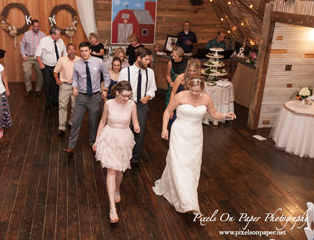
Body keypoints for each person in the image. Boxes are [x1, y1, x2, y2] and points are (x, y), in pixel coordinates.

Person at [154, 76, 236, 213]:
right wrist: (164, 128)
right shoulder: (180, 96)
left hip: (195, 136)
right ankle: (186, 202)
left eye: (197, 91)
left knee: (191, 166)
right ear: (189, 87)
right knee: (178, 163)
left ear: (202, 89)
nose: (194, 93)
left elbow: (213, 113)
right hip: (179, 133)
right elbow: (168, 111)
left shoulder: (207, 99)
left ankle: (187, 193)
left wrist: (224, 116)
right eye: (192, 90)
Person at [93, 80, 140, 224]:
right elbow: (102, 122)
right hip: (109, 136)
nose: (127, 99)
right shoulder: (108, 104)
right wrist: (96, 140)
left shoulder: (132, 105)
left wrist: (137, 127)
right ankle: (112, 208)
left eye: (129, 96)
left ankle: (117, 189)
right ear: (117, 93)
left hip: (124, 137)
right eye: (124, 96)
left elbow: (135, 121)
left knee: (120, 171)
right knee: (111, 170)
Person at [63, 41, 110, 156]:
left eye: (86, 51)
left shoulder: (99, 62)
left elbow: (107, 75)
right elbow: (75, 78)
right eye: (82, 51)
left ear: (90, 50)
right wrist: (74, 87)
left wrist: (105, 89)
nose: (84, 53)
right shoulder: (77, 63)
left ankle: (93, 143)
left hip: (94, 97)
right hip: (81, 97)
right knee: (75, 122)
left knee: (94, 123)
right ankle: (71, 147)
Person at [117, 47, 157, 171]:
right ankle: (122, 157)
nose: (148, 62)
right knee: (124, 131)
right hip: (126, 105)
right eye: (146, 59)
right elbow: (119, 91)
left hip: (141, 106)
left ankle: (135, 159)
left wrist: (148, 96)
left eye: (149, 60)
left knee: (139, 133)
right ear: (139, 58)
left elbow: (152, 88)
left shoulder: (150, 72)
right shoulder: (125, 72)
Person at [35, 27, 66, 110]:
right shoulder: (44, 41)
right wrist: (40, 63)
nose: (59, 36)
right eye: (58, 35)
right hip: (46, 66)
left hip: (57, 66)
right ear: (52, 34)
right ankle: (48, 102)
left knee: (56, 84)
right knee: (48, 84)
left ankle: (56, 100)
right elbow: (38, 54)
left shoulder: (60, 41)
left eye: (59, 35)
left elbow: (65, 51)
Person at [54, 43, 79, 136]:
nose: (71, 51)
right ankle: (62, 127)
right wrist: (57, 79)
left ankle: (71, 122)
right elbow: (55, 71)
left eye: (73, 49)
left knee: (75, 106)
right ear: (67, 51)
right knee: (62, 106)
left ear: (75, 50)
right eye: (70, 49)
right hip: (64, 85)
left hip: (76, 86)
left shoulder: (79, 60)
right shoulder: (62, 60)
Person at [20, 19, 45, 97]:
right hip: (28, 58)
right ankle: (28, 89)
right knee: (27, 73)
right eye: (35, 26)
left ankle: (38, 89)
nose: (37, 28)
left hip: (39, 58)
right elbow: (21, 46)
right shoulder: (26, 34)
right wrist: (24, 56)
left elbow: (46, 47)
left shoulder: (43, 35)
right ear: (32, 26)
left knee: (40, 75)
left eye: (38, 26)